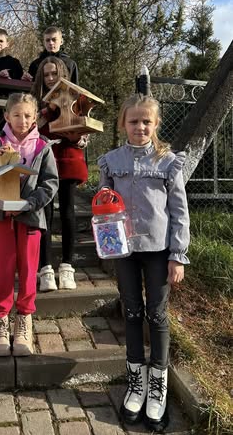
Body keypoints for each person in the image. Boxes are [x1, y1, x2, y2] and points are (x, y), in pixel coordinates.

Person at [97, 94, 190, 433]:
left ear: (156, 124)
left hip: (158, 251)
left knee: (157, 314)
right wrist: (106, 241)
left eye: (146, 121)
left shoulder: (168, 162)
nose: (140, 127)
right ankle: (136, 381)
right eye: (133, 121)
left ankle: (157, 385)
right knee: (133, 311)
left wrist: (178, 255)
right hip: (124, 250)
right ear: (123, 123)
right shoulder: (111, 162)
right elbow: (103, 206)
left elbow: (179, 211)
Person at [0, 93, 59, 357]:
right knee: (2, 271)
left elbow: (50, 183)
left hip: (30, 219)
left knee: (28, 271)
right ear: (7, 116)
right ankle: (1, 321)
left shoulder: (43, 147)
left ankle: (24, 319)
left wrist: (29, 203)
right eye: (16, 115)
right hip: (0, 217)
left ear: (35, 117)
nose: (22, 120)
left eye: (27, 115)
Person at [31, 57, 88, 291]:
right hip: (44, 160)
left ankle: (67, 267)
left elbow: (84, 132)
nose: (51, 78)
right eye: (46, 74)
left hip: (68, 159)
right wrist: (48, 109)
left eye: (54, 73)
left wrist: (79, 138)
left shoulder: (74, 99)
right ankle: (45, 268)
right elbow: (29, 126)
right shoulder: (36, 100)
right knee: (45, 213)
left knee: (67, 212)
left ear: (62, 74)